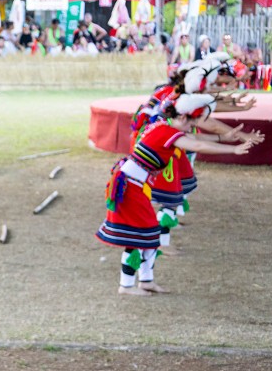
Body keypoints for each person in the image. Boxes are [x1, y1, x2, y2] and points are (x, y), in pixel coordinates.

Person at [97, 103, 255, 296]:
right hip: (131, 186)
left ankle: (145, 281)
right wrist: (233, 150)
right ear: (182, 118)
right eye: (191, 124)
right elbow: (196, 144)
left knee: (149, 234)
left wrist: (224, 137)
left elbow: (193, 138)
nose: (191, 128)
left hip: (134, 183)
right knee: (143, 234)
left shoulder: (163, 125)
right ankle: (127, 285)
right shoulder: (166, 131)